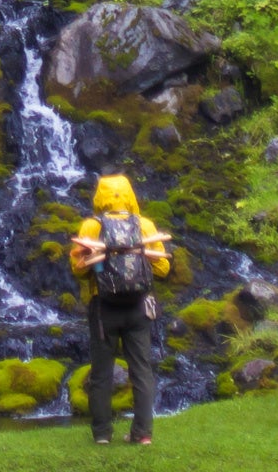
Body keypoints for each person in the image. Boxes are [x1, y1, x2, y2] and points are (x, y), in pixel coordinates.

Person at [70, 174, 170, 446]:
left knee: (101, 372)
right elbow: (163, 268)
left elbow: (78, 270)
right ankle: (143, 433)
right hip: (139, 307)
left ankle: (102, 434)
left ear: (100, 196)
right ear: (130, 194)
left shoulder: (91, 226)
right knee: (141, 369)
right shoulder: (145, 225)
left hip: (104, 309)